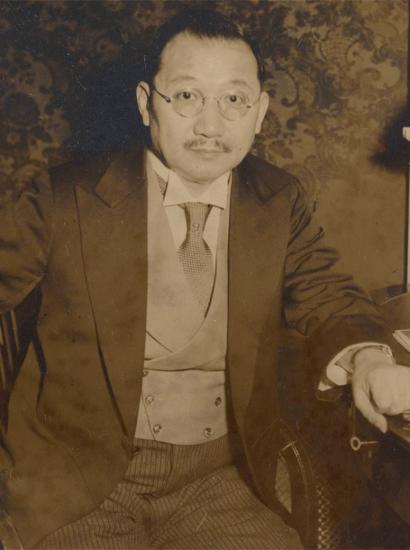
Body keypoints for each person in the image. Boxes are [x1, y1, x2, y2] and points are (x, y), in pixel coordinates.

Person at [1, 8, 410, 549]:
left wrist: (368, 359)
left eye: (234, 100)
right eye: (188, 97)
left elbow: (330, 296)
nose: (211, 126)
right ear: (148, 103)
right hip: (79, 479)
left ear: (260, 112)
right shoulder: (64, 199)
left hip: (221, 478)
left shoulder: (278, 200)